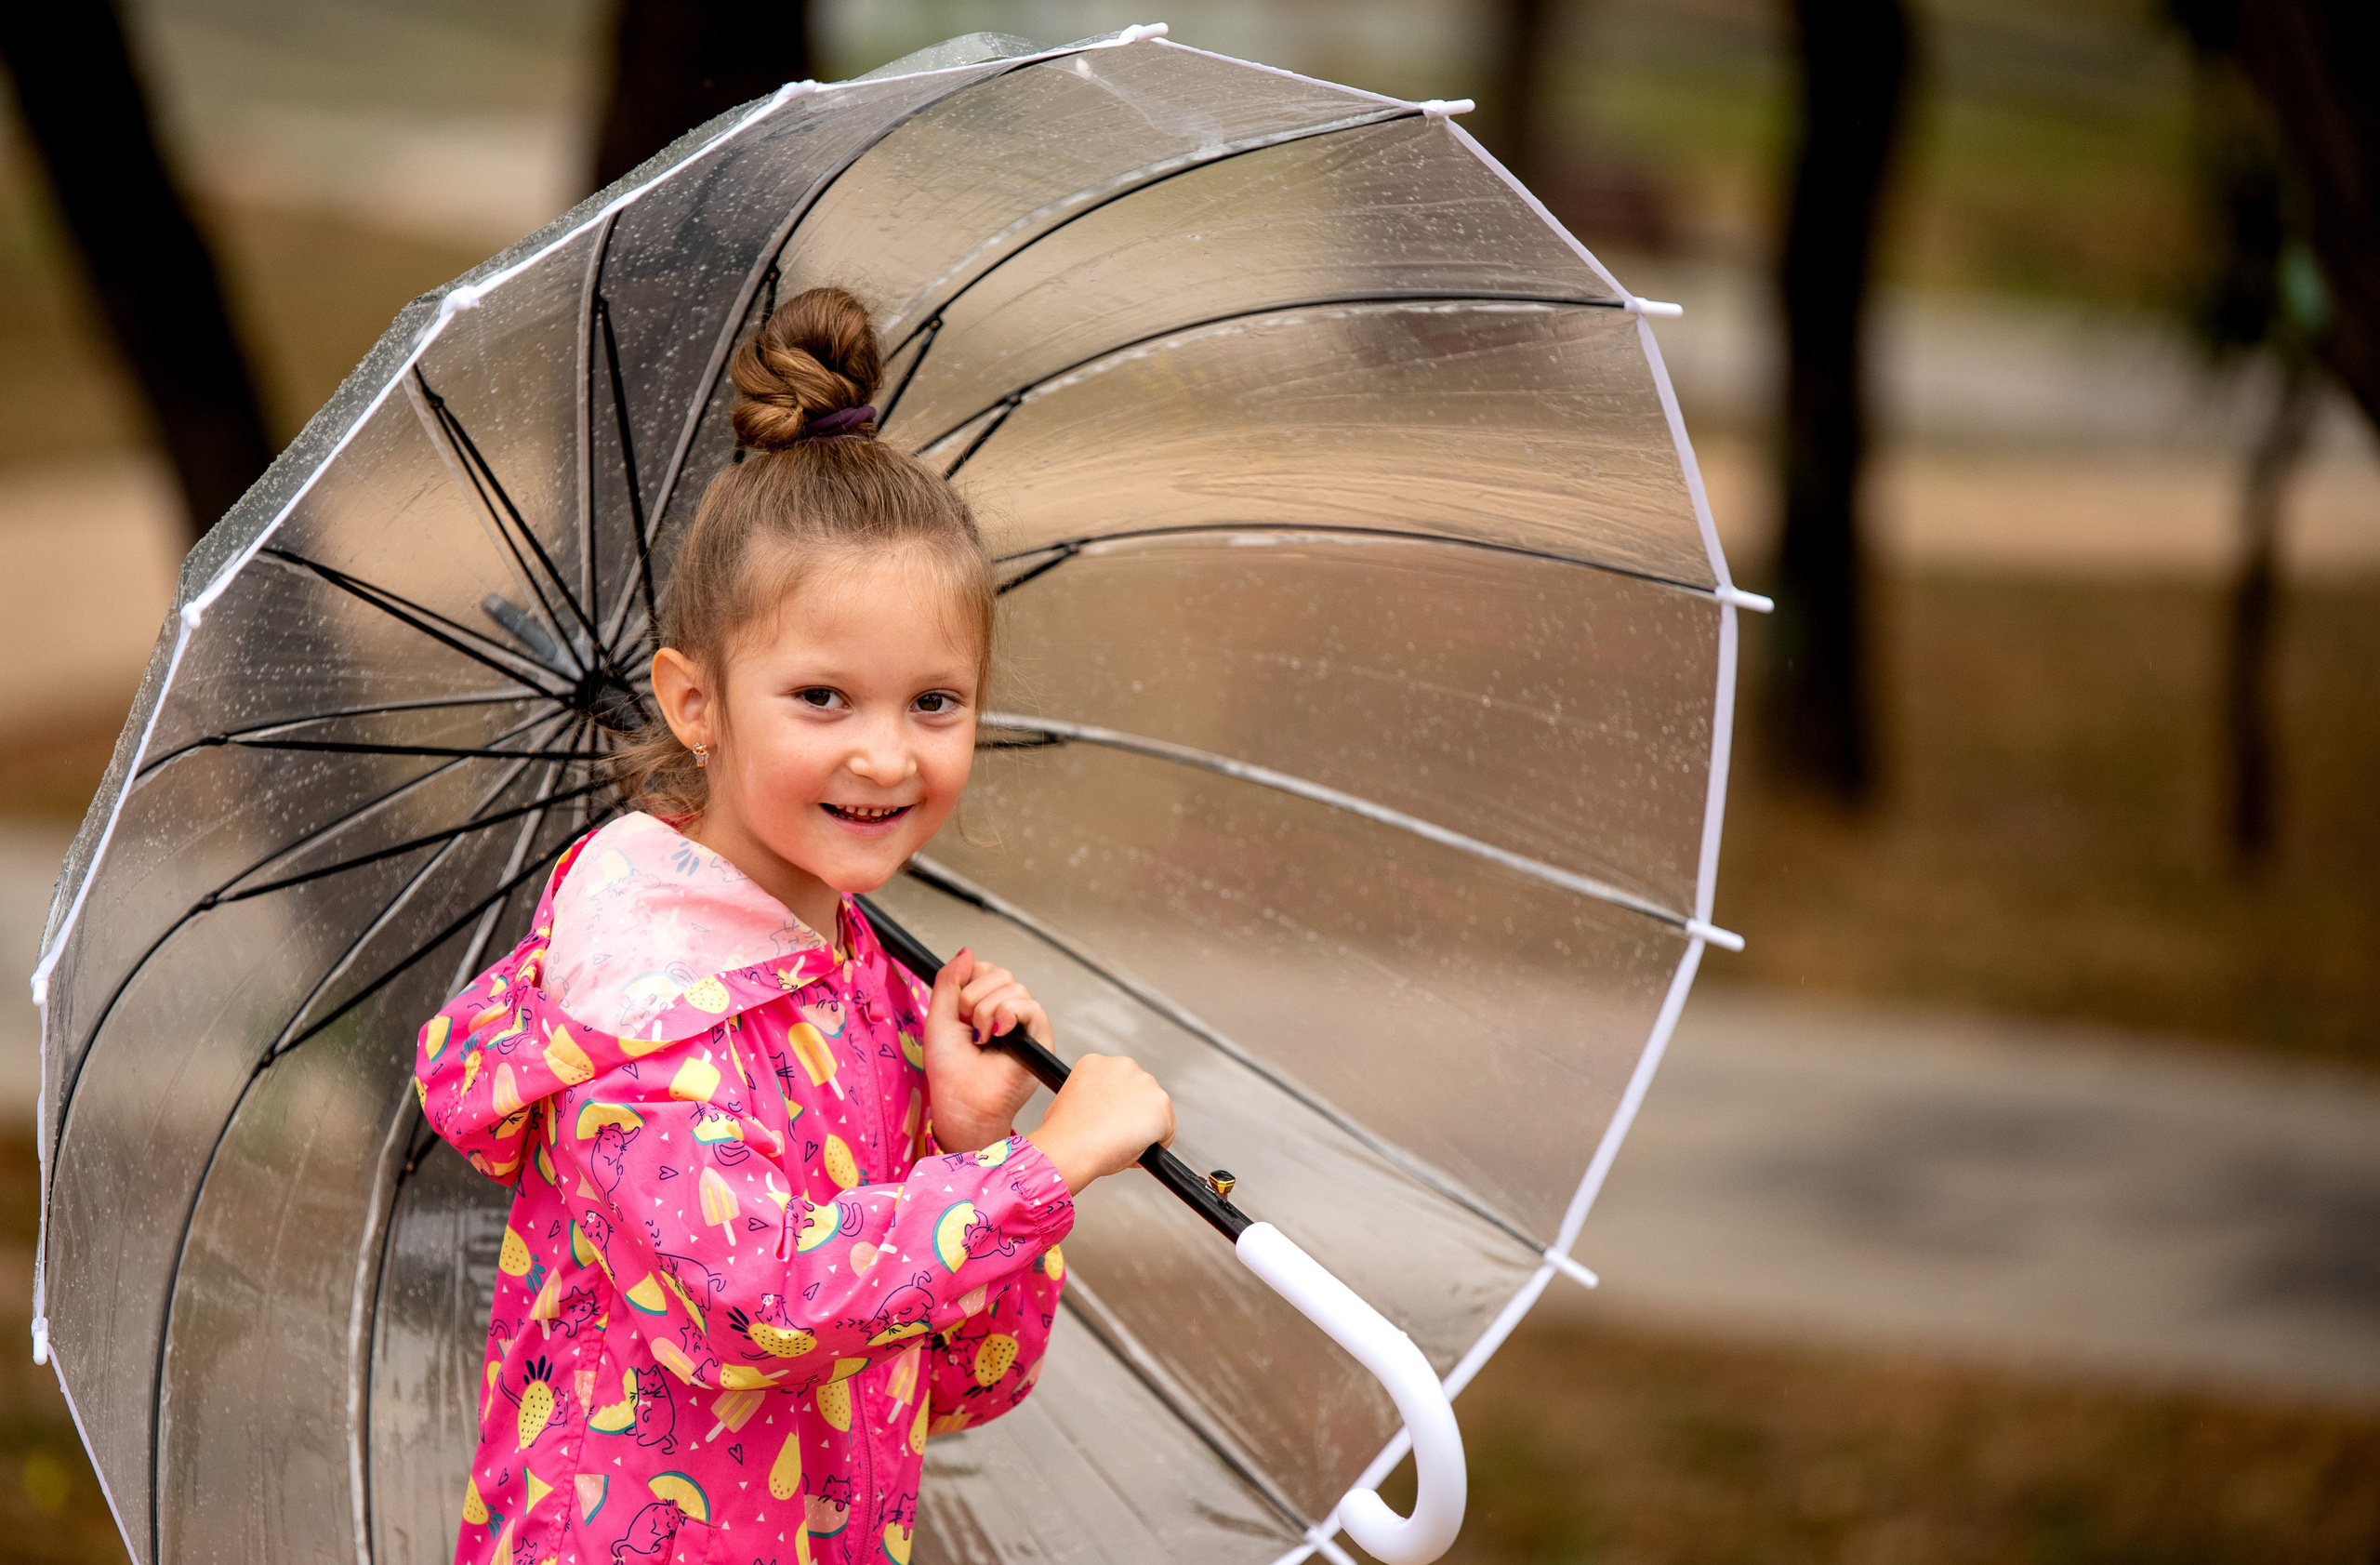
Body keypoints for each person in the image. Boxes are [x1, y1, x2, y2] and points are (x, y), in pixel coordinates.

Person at [413, 286, 1174, 1565]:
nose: (885, 753)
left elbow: (962, 1385)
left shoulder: (852, 975)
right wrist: (1037, 1174)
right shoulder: (640, 1012)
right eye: (822, 696)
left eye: (935, 701)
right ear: (696, 702)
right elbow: (757, 1306)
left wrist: (964, 1128)